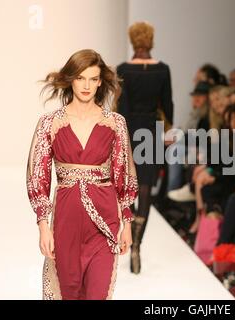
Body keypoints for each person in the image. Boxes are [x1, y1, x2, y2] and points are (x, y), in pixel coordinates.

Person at [26, 49, 138, 300]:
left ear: (100, 82)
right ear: (71, 80)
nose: (86, 85)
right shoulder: (50, 122)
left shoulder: (115, 123)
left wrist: (127, 224)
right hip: (66, 221)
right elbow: (38, 176)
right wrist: (44, 226)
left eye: (92, 79)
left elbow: (124, 174)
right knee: (69, 292)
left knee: (98, 293)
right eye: (80, 78)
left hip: (105, 220)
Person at [117, 21, 174, 274]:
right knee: (146, 187)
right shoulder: (162, 70)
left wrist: (120, 136)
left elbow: (122, 106)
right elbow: (168, 104)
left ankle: (128, 235)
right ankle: (138, 243)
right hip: (151, 130)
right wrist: (168, 130)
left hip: (129, 130)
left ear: (132, 40)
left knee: (127, 185)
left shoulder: (123, 69)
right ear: (151, 40)